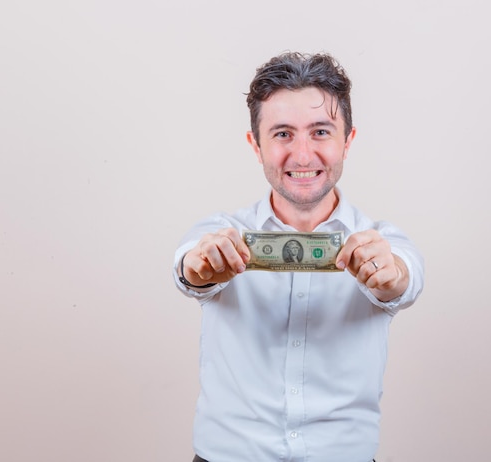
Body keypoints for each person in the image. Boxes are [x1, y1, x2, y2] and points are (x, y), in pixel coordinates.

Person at [173, 51, 424, 462]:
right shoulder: (219, 232)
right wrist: (200, 268)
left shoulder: (384, 241)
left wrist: (391, 277)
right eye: (283, 134)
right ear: (256, 145)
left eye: (321, 132)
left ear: (348, 141)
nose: (303, 155)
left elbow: (406, 278)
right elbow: (187, 265)